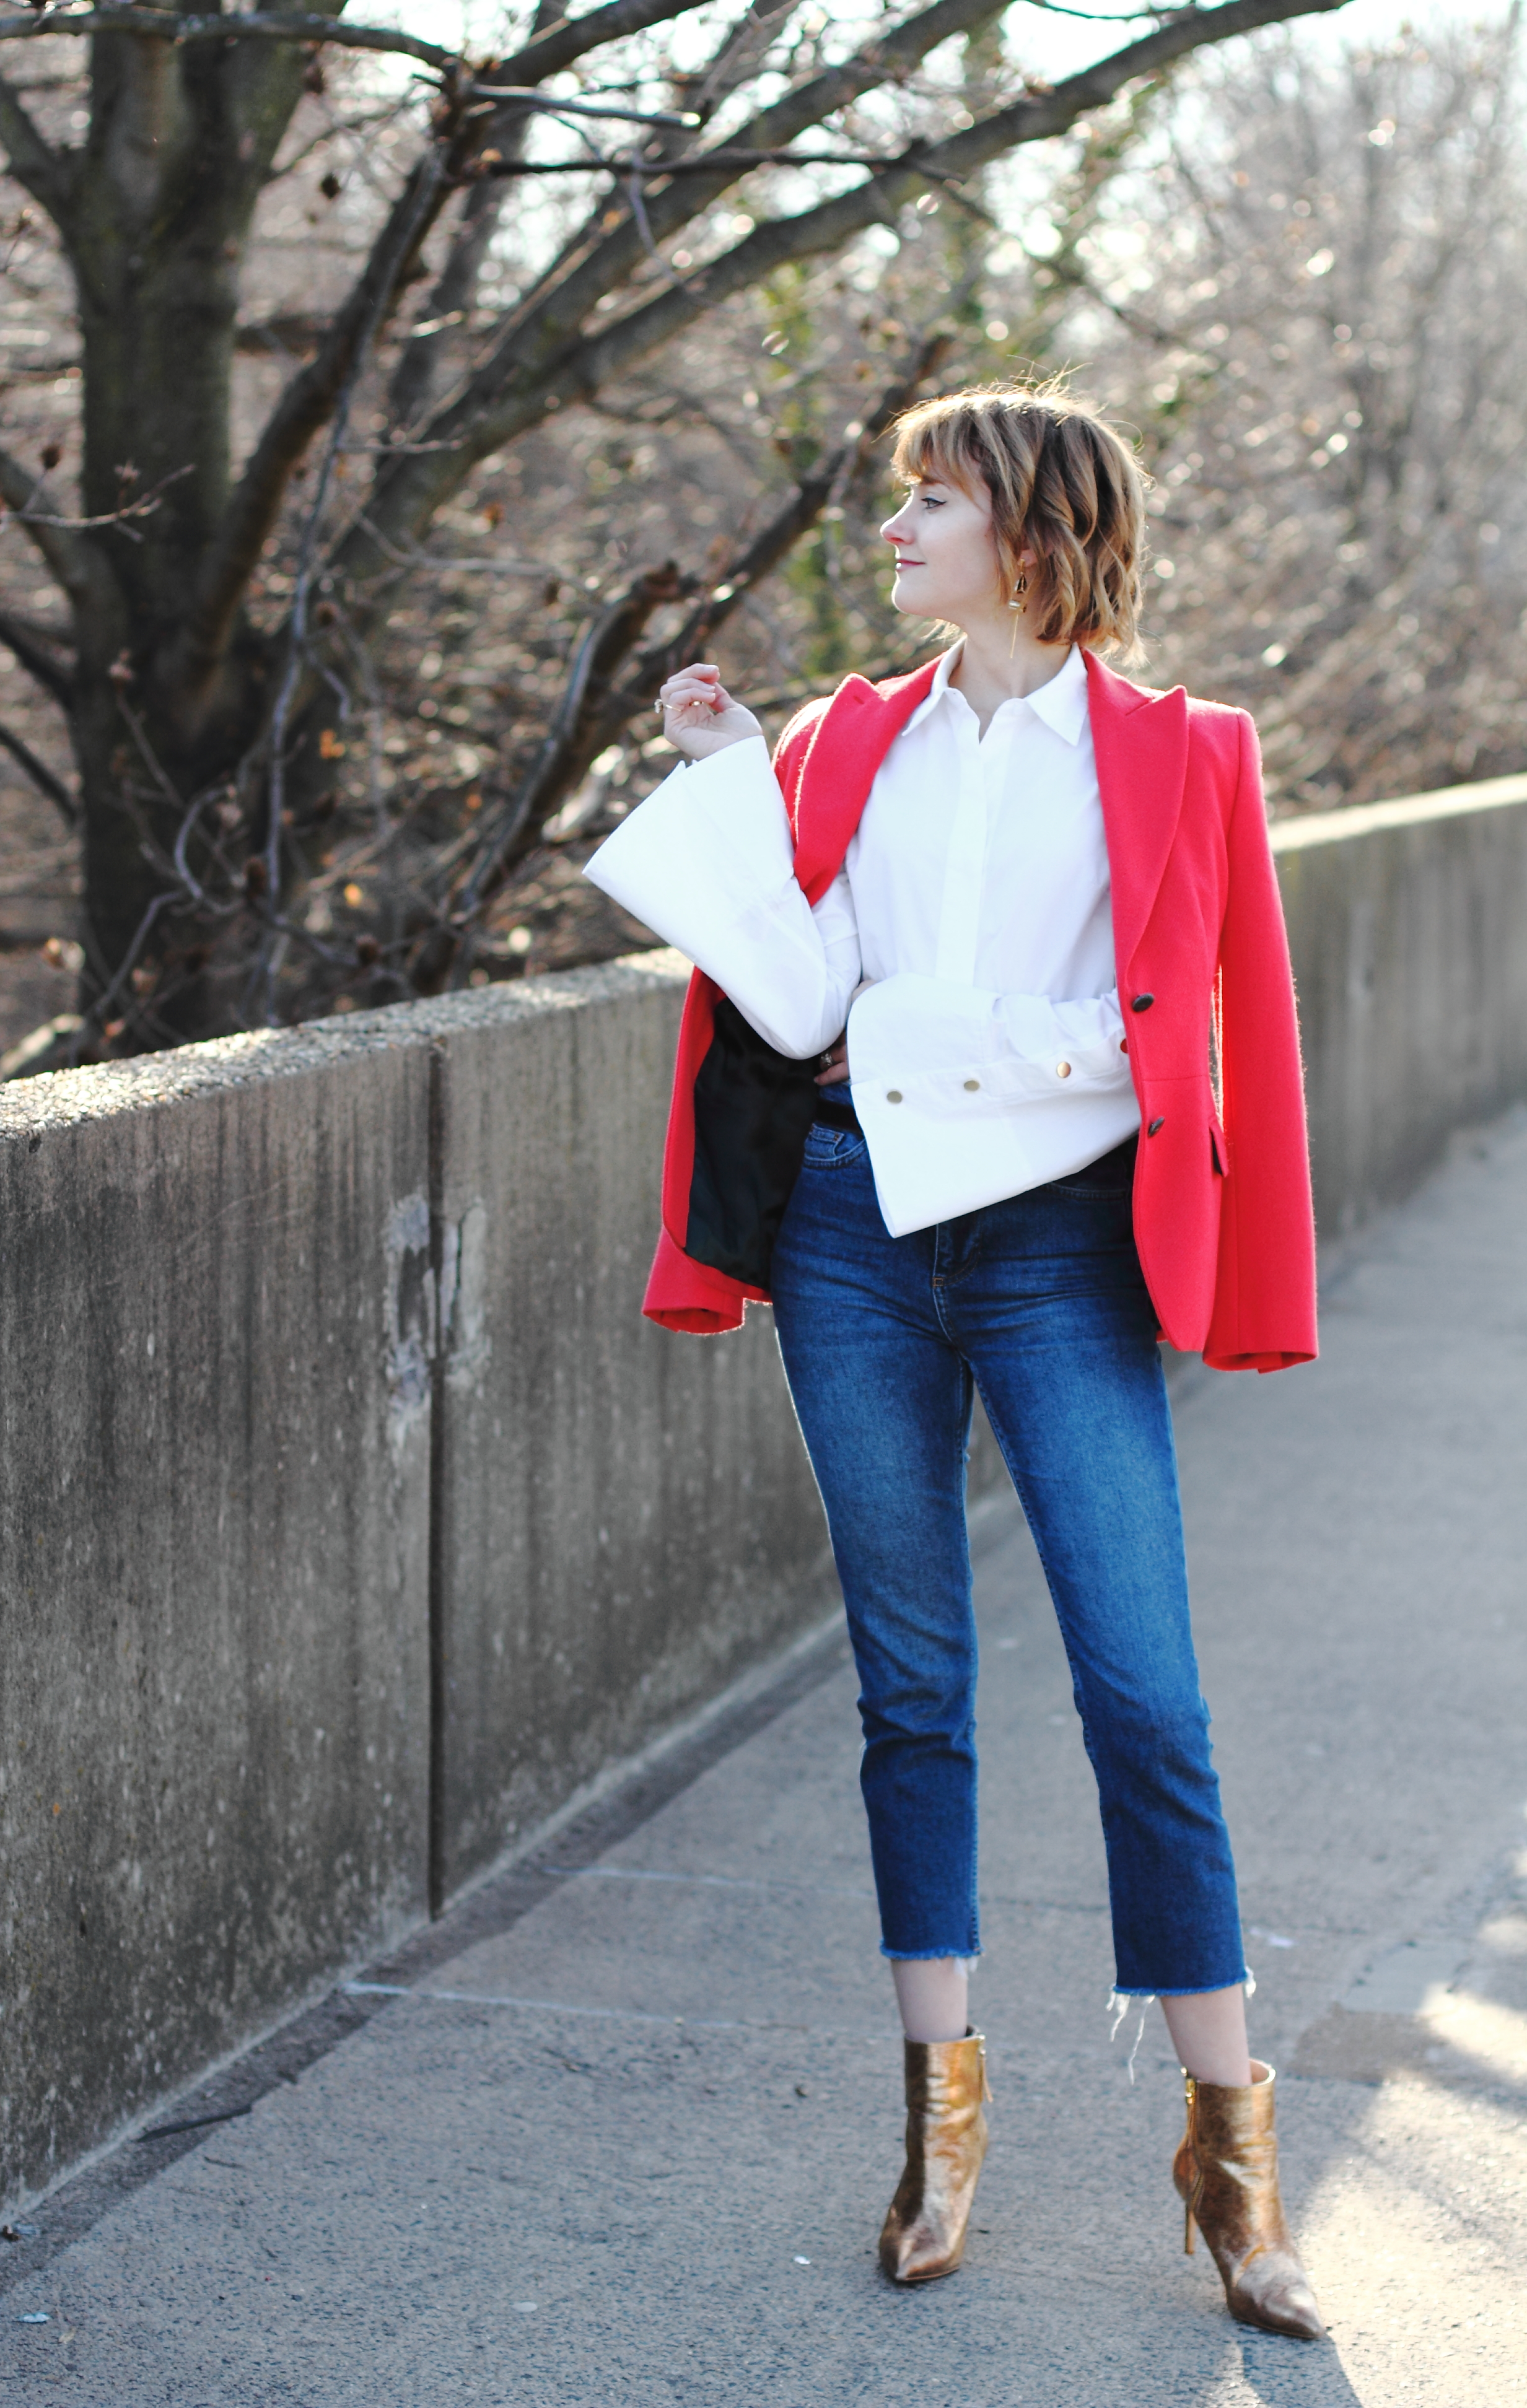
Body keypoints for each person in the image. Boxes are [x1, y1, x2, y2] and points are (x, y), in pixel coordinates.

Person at [583, 382, 1324, 2340]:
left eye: (932, 501)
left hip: (1064, 1252)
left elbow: (1191, 1029)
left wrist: (963, 1046)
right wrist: (739, 791)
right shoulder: (848, 737)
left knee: (1144, 1699)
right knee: (910, 1685)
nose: (894, 530)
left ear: (1034, 531)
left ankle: (1236, 2161)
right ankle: (941, 2130)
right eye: (903, 500)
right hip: (849, 1234)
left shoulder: (1188, 754)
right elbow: (814, 1007)